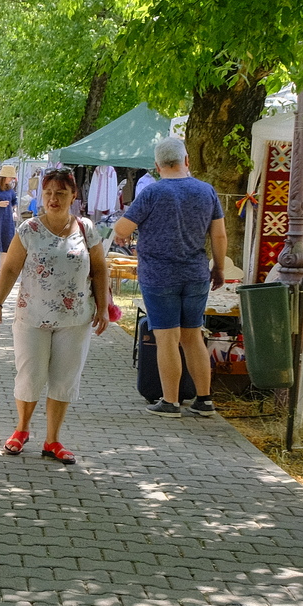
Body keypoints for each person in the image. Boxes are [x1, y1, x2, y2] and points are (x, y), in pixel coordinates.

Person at [0, 167, 111, 465]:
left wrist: (104, 307)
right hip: (32, 316)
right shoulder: (29, 229)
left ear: (73, 195)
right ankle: (21, 430)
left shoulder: (86, 228)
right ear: (41, 195)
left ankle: (53, 440)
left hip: (76, 318)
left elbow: (99, 268)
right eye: (48, 193)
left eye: (60, 193)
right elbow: (10, 269)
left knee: (64, 379)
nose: (53, 199)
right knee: (30, 375)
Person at [111, 136, 226, 416]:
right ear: (186, 161)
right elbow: (219, 234)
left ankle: (170, 401)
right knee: (192, 336)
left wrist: (126, 233)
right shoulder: (206, 191)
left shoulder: (152, 193)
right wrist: (219, 267)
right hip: (196, 273)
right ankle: (204, 400)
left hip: (160, 276)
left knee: (166, 339)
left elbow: (122, 229)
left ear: (156, 166)